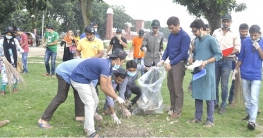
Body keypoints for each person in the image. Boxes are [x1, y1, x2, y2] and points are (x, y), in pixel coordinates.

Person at [70, 48, 127, 137]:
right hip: (79, 79)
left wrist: (116, 97)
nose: (122, 64)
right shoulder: (105, 66)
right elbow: (103, 88)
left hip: (86, 79)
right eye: (123, 61)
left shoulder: (109, 66)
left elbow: (109, 85)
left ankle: (87, 127)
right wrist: (116, 97)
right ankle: (91, 132)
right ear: (118, 59)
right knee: (90, 103)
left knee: (95, 100)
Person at [188, 19, 222, 127]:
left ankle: (210, 120)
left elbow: (219, 55)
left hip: (208, 72)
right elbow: (196, 53)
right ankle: (197, 117)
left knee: (209, 97)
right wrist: (192, 58)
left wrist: (206, 62)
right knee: (197, 94)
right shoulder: (196, 41)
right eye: (192, 31)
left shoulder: (211, 40)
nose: (194, 33)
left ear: (201, 29)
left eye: (195, 31)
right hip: (198, 71)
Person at [157, 16, 190, 120]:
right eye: (169, 28)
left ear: (178, 25)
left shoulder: (185, 36)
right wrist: (162, 59)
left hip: (179, 64)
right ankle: (172, 107)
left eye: (172, 28)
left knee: (177, 87)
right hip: (171, 63)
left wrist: (171, 63)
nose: (171, 30)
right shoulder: (171, 35)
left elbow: (183, 53)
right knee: (170, 86)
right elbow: (168, 49)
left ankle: (177, 111)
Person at [38, 59, 85, 129]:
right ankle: (43, 120)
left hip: (75, 73)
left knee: (79, 92)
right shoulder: (100, 71)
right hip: (64, 71)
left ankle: (80, 117)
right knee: (61, 97)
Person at [234, 25, 263, 130]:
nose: (253, 37)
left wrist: (258, 47)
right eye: (251, 36)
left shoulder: (262, 42)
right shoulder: (246, 41)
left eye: (255, 35)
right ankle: (250, 115)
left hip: (256, 75)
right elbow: (241, 57)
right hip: (245, 74)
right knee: (246, 99)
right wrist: (236, 69)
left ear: (260, 33)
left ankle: (252, 121)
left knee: (254, 99)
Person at [212, 14, 240, 114]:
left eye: (228, 21)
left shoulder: (234, 34)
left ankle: (223, 105)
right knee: (214, 83)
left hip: (227, 61)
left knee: (224, 85)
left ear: (231, 22)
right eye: (224, 21)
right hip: (216, 60)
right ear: (222, 21)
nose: (226, 23)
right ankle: (215, 102)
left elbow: (237, 48)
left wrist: (226, 53)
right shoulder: (216, 32)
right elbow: (211, 44)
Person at [228, 23, 249, 106]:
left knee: (246, 84)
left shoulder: (249, 40)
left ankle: (247, 102)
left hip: (245, 65)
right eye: (242, 31)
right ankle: (231, 100)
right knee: (234, 82)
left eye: (246, 31)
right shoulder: (236, 39)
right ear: (239, 31)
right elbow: (232, 50)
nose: (244, 33)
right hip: (235, 63)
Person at [0, 27, 24, 95]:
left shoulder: (15, 40)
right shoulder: (1, 41)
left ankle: (14, 87)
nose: (9, 36)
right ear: (5, 34)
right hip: (5, 61)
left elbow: (19, 48)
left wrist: (21, 52)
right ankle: (2, 90)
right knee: (4, 75)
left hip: (14, 61)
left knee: (15, 75)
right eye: (8, 34)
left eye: (10, 34)